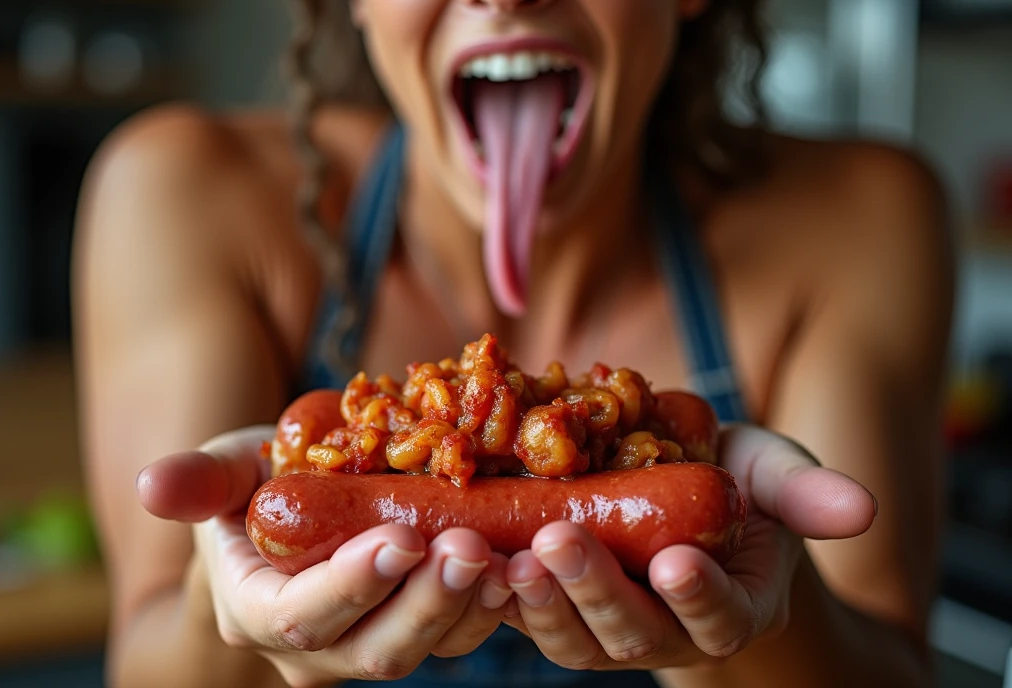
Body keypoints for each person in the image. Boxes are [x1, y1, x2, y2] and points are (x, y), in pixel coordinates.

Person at [71, 1, 954, 686]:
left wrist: (744, 630)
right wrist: (225, 609)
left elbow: (895, 674)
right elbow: (146, 668)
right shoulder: (183, 191)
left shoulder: (861, 217)